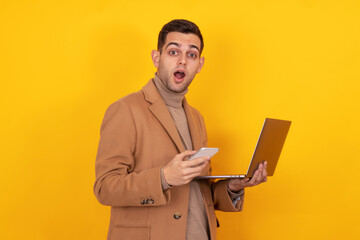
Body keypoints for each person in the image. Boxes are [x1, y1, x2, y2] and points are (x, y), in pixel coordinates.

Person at [94, 19, 268, 240]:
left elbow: (198, 192)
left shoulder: (196, 117)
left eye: (192, 55)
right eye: (174, 52)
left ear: (200, 64)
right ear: (157, 58)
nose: (183, 61)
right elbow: (105, 187)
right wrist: (164, 177)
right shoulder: (125, 110)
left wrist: (234, 186)